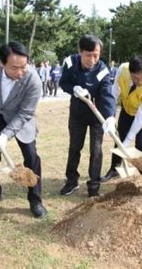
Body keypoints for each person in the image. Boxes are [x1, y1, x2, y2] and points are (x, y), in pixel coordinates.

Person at [0, 41, 46, 218]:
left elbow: (26, 113)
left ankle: (35, 200)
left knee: (31, 157)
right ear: (2, 63)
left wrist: (5, 135)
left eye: (24, 67)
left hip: (20, 119)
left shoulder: (33, 80)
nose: (20, 73)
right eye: (14, 68)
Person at [59, 34, 116, 197]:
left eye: (96, 55)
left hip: (96, 115)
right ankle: (71, 181)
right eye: (88, 55)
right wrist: (74, 89)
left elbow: (106, 94)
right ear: (80, 52)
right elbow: (64, 82)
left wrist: (110, 116)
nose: (92, 60)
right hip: (77, 113)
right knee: (75, 147)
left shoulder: (102, 69)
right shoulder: (70, 63)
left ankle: (94, 186)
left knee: (96, 150)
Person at [101, 55, 142, 182]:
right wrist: (110, 116)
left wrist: (127, 142)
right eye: (136, 78)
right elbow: (114, 92)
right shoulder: (123, 69)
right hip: (127, 108)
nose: (139, 82)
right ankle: (114, 168)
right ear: (130, 72)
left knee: (140, 142)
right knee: (119, 138)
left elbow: (140, 117)